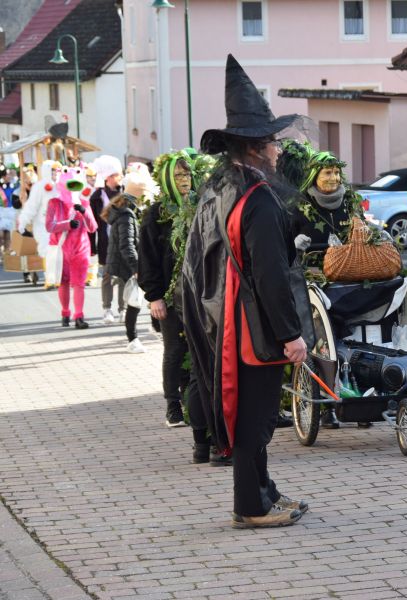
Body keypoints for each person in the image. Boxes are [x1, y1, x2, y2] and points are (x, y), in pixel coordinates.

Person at [182, 54, 309, 528]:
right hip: (250, 325)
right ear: (256, 148)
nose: (279, 150)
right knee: (254, 418)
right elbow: (271, 274)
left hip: (227, 318)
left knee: (252, 414)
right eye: (273, 142)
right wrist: (291, 334)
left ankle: (265, 491)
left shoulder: (223, 189)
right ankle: (251, 507)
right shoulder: (258, 201)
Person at [289, 148, 368, 429]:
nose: (333, 178)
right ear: (315, 175)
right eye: (327, 173)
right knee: (322, 339)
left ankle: (362, 400)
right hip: (312, 279)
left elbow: (363, 231)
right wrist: (294, 245)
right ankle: (324, 404)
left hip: (348, 276)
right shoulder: (299, 205)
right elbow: (283, 243)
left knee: (358, 335)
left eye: (336, 172)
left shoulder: (350, 201)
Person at [140, 149, 214, 430]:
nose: (184, 180)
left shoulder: (201, 207)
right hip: (170, 296)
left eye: (187, 175)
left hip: (200, 293)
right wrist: (155, 296)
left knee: (198, 347)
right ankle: (173, 404)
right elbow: (147, 258)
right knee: (174, 349)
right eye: (178, 175)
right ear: (166, 179)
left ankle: (192, 400)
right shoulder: (156, 214)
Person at [104, 169, 157, 352]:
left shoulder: (125, 212)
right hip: (127, 264)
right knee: (134, 302)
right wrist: (136, 268)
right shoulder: (127, 216)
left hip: (125, 263)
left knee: (138, 299)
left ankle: (153, 327)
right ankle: (133, 340)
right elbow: (126, 245)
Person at [45, 167, 97, 329]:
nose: (72, 188)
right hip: (60, 250)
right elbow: (49, 226)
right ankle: (65, 313)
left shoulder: (84, 203)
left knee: (79, 284)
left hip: (80, 249)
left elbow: (93, 227)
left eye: (75, 184)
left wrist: (84, 211)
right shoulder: (54, 203)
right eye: (70, 184)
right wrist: (67, 224)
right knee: (64, 283)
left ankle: (79, 316)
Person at [89, 156, 125, 324]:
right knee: (107, 276)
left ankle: (123, 309)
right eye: (117, 174)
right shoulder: (97, 196)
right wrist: (92, 246)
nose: (120, 177)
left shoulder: (126, 192)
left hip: (124, 240)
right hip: (106, 242)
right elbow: (92, 224)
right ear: (108, 177)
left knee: (124, 276)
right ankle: (107, 309)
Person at [17, 161, 62, 277]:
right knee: (48, 250)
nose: (56, 173)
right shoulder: (39, 187)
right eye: (53, 171)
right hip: (43, 226)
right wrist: (23, 222)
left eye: (58, 171)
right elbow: (31, 206)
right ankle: (50, 279)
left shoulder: (62, 185)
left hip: (60, 225)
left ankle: (60, 277)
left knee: (61, 252)